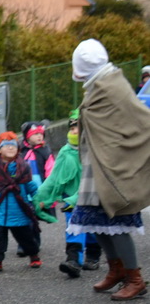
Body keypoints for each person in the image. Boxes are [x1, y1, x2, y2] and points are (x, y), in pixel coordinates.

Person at [68, 38, 149, 300]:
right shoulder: (99, 84)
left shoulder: (113, 86)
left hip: (114, 166)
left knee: (118, 221)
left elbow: (141, 121)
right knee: (92, 219)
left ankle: (135, 279)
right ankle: (117, 270)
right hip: (97, 163)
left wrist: (122, 154)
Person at [32, 109, 102, 278]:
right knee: (74, 227)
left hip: (91, 196)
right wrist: (40, 195)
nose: (74, 131)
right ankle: (73, 261)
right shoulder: (65, 151)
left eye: (78, 127)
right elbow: (54, 177)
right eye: (72, 128)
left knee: (91, 229)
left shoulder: (96, 149)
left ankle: (93, 255)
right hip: (70, 199)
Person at [0, 131, 45, 273]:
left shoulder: (23, 167)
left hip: (19, 210)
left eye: (13, 145)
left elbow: (30, 185)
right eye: (6, 145)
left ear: (18, 149)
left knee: (26, 237)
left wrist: (37, 199)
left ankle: (33, 255)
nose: (10, 148)